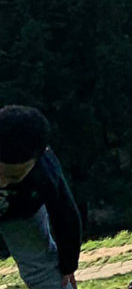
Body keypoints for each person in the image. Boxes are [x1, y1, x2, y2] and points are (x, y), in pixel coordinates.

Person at [0, 106, 81, 289]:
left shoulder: (45, 172)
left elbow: (65, 216)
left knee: (43, 271)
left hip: (20, 213)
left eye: (13, 177)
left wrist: (68, 265)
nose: (3, 183)